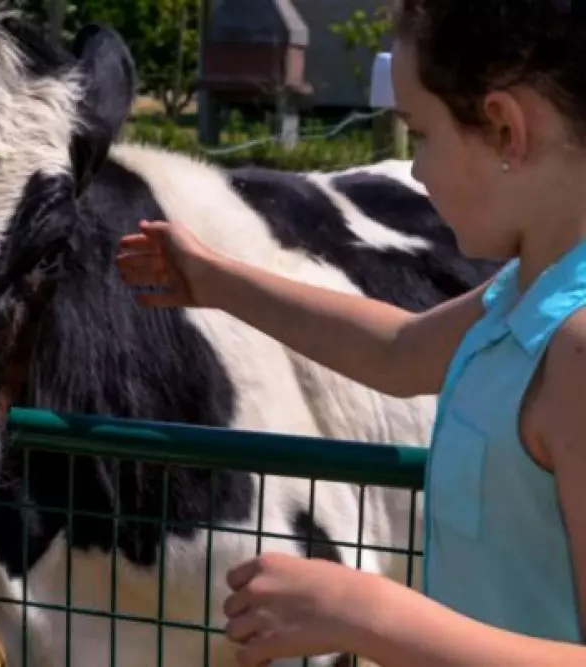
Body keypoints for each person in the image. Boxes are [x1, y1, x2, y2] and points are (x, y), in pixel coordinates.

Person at [115, 1, 586, 665]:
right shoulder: (525, 293)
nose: (414, 170)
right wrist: (215, 281)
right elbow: (396, 350)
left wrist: (366, 611)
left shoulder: (575, 346)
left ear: (505, 129)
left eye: (421, 133)